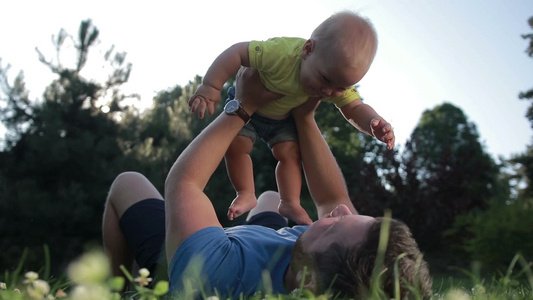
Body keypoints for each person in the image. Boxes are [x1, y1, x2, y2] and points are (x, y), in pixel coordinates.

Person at [103, 68, 431, 299]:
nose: (340, 211)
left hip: (199, 258)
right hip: (270, 252)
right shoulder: (333, 271)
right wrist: (305, 117)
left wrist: (243, 106)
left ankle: (117, 291)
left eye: (333, 226)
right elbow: (335, 198)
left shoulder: (216, 276)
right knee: (272, 196)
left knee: (126, 183)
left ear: (307, 283)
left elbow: (184, 183)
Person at [188, 11, 395, 226]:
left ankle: (290, 202)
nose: (328, 91)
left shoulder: (332, 76)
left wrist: (373, 123)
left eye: (340, 88)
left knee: (290, 156)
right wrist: (211, 86)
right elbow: (237, 52)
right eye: (324, 79)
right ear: (307, 50)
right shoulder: (280, 53)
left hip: (283, 119)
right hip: (249, 105)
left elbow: (355, 108)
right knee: (236, 147)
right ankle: (246, 192)